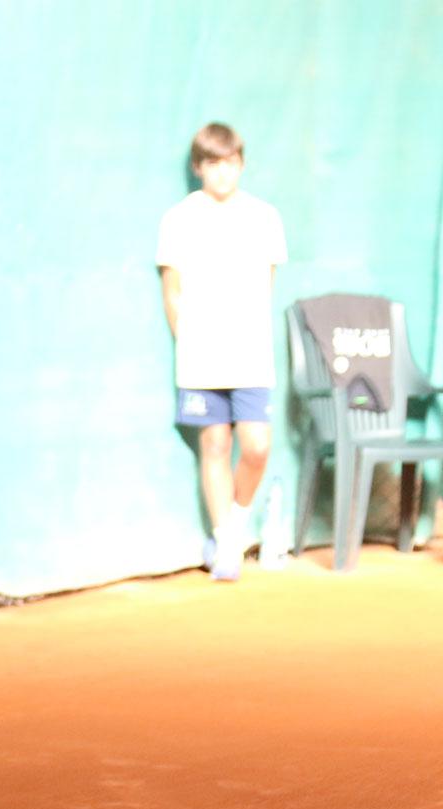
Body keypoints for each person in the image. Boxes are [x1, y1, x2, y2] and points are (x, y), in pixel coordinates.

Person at [156, 122, 288, 581]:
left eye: (230, 163)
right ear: (198, 168)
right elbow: (172, 292)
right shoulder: (178, 219)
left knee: (256, 446)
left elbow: (266, 286)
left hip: (250, 359)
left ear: (242, 164)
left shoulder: (265, 217)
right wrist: (190, 340)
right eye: (213, 164)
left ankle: (236, 525)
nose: (223, 173)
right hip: (199, 360)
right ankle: (225, 541)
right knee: (214, 444)